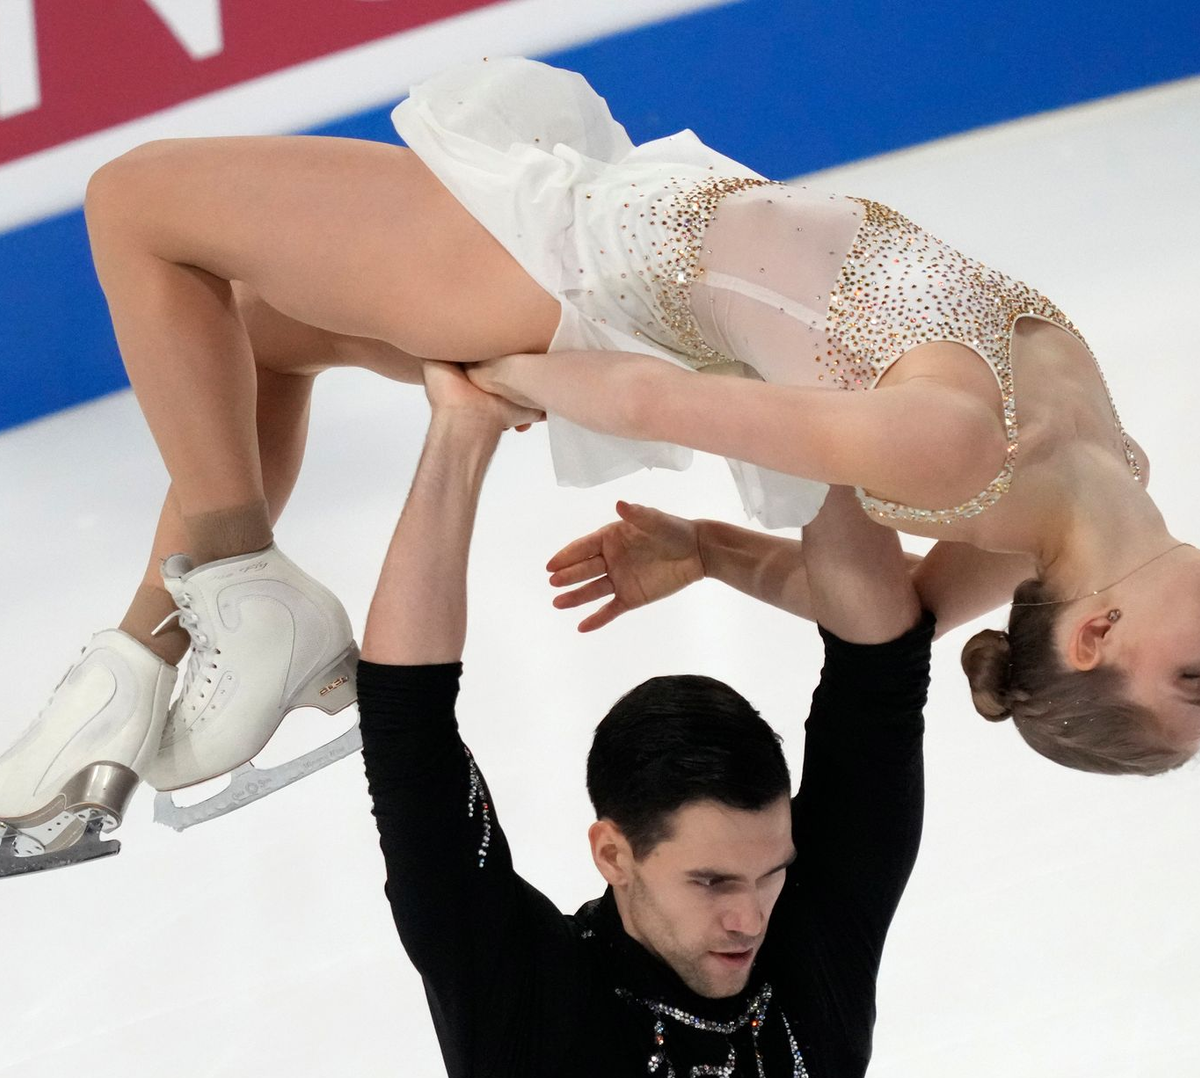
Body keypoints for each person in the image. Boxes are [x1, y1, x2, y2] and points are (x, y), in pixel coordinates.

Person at [1, 55, 1194, 872]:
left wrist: (487, 382)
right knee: (247, 341)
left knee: (137, 202)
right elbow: (898, 619)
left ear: (1093, 638)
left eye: (1193, 682)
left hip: (573, 258)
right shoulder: (1099, 470)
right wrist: (711, 549)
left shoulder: (957, 456)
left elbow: (644, 399)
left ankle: (237, 581)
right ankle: (135, 664)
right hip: (637, 269)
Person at [358, 360, 932, 1078]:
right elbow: (406, 729)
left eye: (771, 873)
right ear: (613, 852)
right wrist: (462, 427)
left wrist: (792, 396)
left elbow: (881, 658)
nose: (750, 916)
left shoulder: (808, 941)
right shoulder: (522, 995)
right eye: (710, 880)